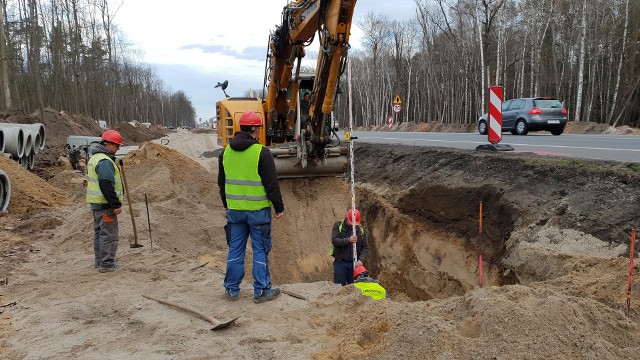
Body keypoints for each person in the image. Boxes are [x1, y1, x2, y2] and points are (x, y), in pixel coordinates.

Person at [218, 110, 285, 303]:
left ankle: (231, 289)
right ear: (255, 129)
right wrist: (279, 207)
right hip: (257, 213)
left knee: (236, 249)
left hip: (235, 212)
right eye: (259, 129)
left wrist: (226, 204)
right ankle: (262, 290)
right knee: (260, 249)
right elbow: (272, 184)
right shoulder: (261, 153)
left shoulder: (226, 152)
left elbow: (221, 182)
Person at [86, 130, 124, 273]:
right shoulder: (105, 162)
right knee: (108, 234)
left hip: (97, 204)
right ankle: (107, 264)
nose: (118, 149)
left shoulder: (95, 158)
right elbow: (106, 184)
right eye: (116, 146)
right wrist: (115, 204)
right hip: (105, 205)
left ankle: (100, 261)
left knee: (100, 233)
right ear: (108, 144)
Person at [331, 208, 369, 285]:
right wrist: (348, 240)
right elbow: (335, 241)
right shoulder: (338, 226)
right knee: (339, 287)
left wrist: (361, 260)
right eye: (351, 222)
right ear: (346, 218)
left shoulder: (361, 230)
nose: (353, 225)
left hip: (354, 264)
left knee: (354, 288)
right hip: (340, 262)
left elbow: (365, 247)